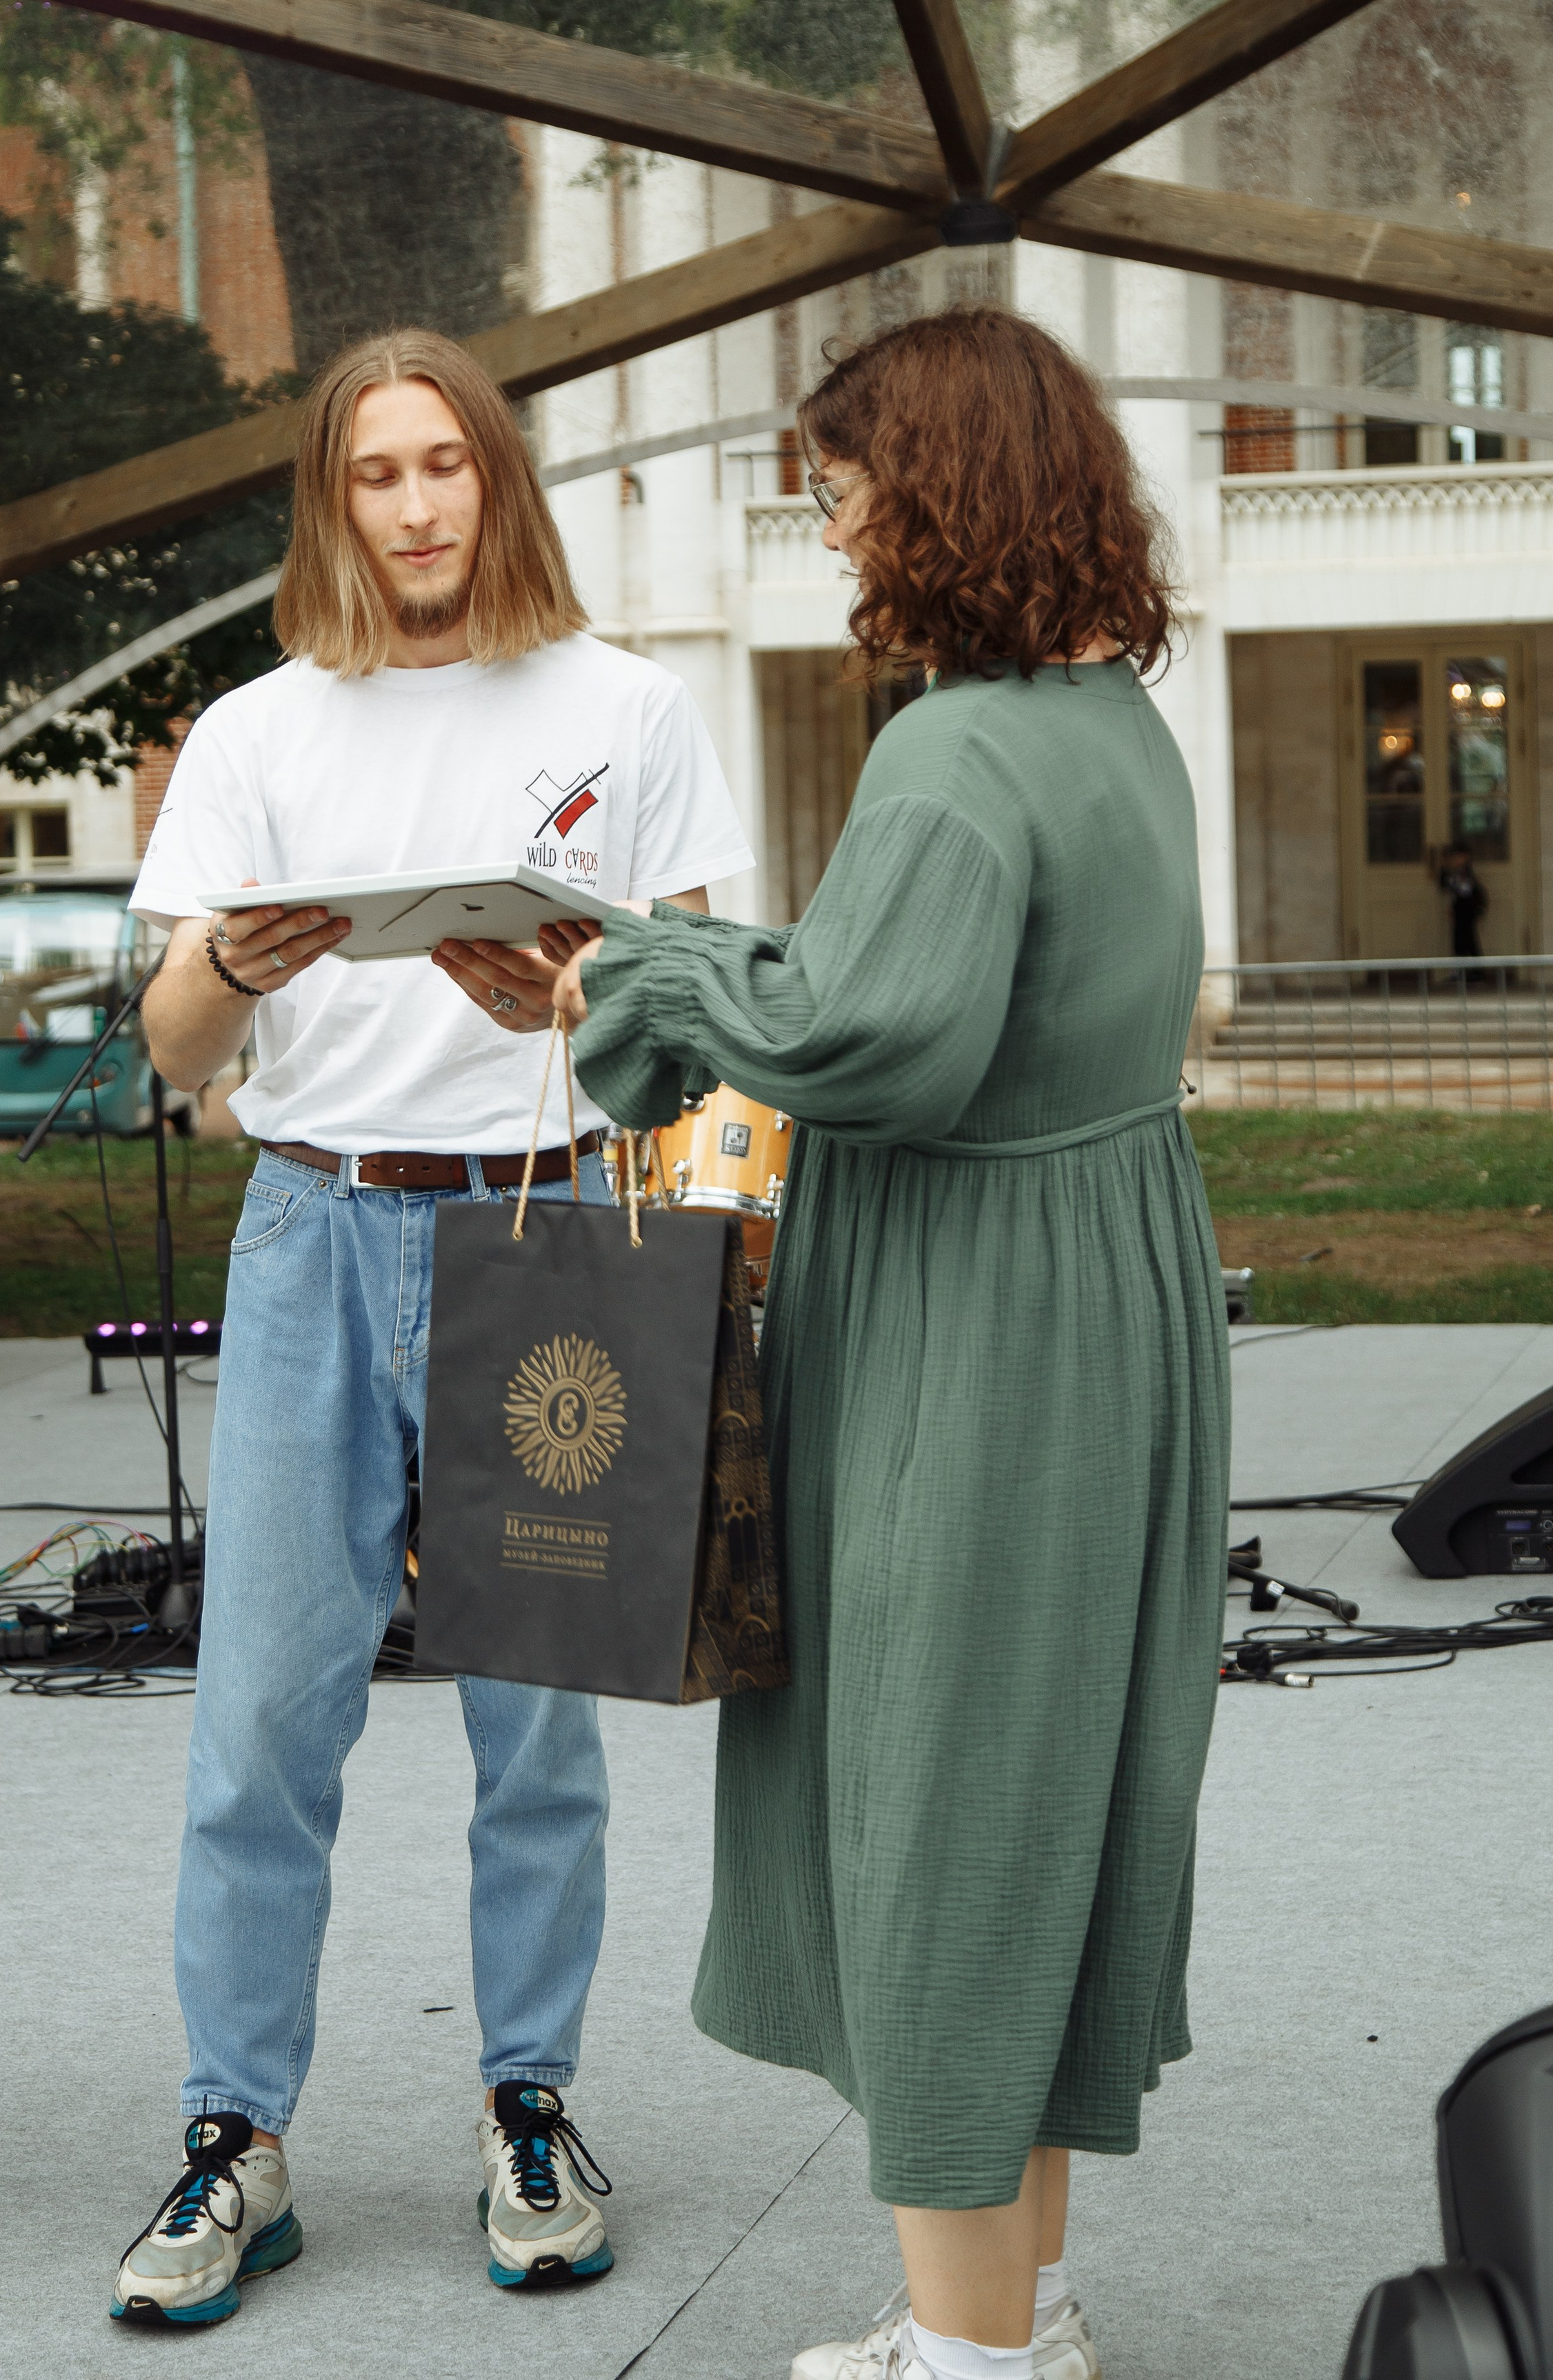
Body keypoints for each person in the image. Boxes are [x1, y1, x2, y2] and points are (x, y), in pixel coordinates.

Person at [540, 309, 1230, 2380]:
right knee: (1039, 1794)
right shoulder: (1108, 717)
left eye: (843, 481)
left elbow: (870, 1041)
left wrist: (637, 968)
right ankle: (1002, 2305)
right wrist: (711, 966)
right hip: (1099, 1285)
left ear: (930, 484)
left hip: (971, 1317)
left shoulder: (947, 747)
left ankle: (968, 2361)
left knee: (939, 1805)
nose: (827, 519)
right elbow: (911, 988)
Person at [114, 326, 752, 2328]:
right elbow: (172, 1044)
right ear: (336, 498)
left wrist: (575, 994)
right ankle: (235, 2140)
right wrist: (229, 955)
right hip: (315, 1225)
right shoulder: (255, 733)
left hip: (545, 1235)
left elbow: (707, 1006)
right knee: (259, 1730)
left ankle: (532, 2110)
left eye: (444, 467)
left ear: (497, 480)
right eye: (377, 473)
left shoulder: (628, 710)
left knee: (535, 1729)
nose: (414, 505)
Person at [1439, 842, 1487, 959]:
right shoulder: (1453, 872)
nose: (1455, 860)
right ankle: (1461, 970)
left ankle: (1474, 971)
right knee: (1459, 940)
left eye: (1458, 857)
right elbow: (1445, 885)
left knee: (1468, 940)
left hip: (1467, 910)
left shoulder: (1466, 873)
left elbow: (1465, 890)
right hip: (1459, 910)